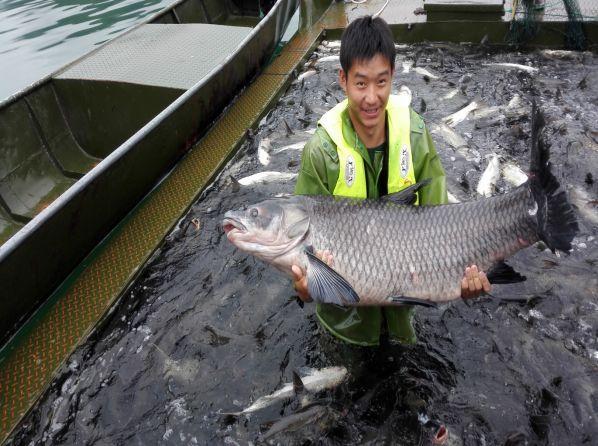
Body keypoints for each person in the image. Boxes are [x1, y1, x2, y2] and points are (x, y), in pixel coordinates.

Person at [292, 15, 491, 347]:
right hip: (345, 326)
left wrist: (465, 282)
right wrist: (304, 287)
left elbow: (445, 227)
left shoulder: (414, 134)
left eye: (381, 82)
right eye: (361, 83)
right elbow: (299, 259)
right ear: (342, 80)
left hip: (405, 320)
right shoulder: (321, 152)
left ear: (393, 77)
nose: (372, 97)